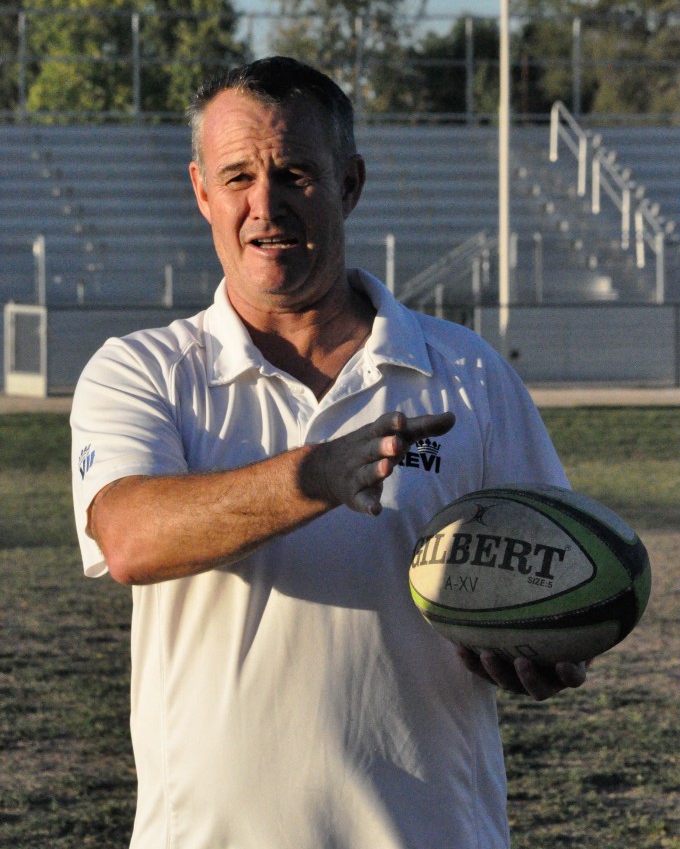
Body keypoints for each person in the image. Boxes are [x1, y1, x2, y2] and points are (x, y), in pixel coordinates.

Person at [71, 56, 586, 849]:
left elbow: (552, 560)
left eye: (296, 173)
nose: (264, 203)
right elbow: (131, 538)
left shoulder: (469, 375)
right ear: (202, 191)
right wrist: (316, 474)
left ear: (349, 184)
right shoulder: (143, 370)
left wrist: (550, 645)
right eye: (237, 176)